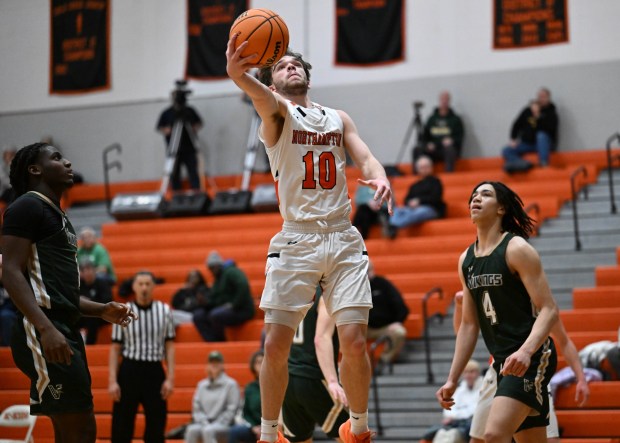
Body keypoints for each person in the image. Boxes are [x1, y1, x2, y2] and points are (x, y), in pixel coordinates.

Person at [226, 38, 393, 443]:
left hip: (342, 235)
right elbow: (259, 96)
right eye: (281, 67)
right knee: (276, 344)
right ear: (273, 83)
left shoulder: (337, 117)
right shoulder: (277, 113)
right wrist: (238, 75)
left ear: (307, 75)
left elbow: (364, 156)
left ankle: (358, 428)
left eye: (296, 64)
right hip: (297, 239)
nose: (291, 68)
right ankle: (269, 433)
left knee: (353, 340)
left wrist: (380, 173)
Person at [1, 142, 135, 443]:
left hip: (60, 326)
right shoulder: (26, 205)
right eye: (57, 158)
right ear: (35, 169)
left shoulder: (57, 214)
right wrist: (45, 328)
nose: (68, 162)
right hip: (43, 329)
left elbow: (58, 292)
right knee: (81, 430)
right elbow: (9, 271)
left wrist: (101, 309)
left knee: (72, 430)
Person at [436, 181, 561, 443]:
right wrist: (452, 379)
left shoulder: (516, 249)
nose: (476, 199)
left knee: (492, 436)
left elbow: (549, 309)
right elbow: (469, 326)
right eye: (473, 195)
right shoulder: (466, 260)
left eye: (485, 194)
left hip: (532, 356)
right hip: (502, 362)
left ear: (502, 208)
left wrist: (526, 352)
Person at [451, 290, 590, 443]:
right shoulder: (492, 294)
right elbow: (463, 331)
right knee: (479, 438)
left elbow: (564, 341)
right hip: (497, 372)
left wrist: (581, 378)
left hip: (533, 370)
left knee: (550, 438)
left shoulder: (541, 304)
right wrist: (459, 306)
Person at [108, 270, 175, 443]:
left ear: (153, 286)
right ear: (134, 287)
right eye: (140, 284)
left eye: (147, 284)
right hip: (129, 369)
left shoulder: (165, 311)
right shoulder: (124, 311)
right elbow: (115, 348)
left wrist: (170, 378)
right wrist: (112, 380)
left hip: (154, 371)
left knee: (156, 425)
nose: (144, 287)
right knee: (122, 424)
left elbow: (169, 346)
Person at [282, 293, 350, 443]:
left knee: (300, 439)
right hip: (313, 376)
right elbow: (321, 338)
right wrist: (332, 380)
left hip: (288, 378)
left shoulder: (292, 291)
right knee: (353, 437)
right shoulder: (326, 294)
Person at [193, 251, 255, 342]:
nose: (212, 270)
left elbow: (243, 285)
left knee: (215, 315)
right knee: (198, 315)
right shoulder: (217, 280)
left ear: (219, 265)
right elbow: (216, 300)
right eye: (210, 268)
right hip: (225, 308)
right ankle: (213, 342)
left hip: (242, 310)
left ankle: (220, 341)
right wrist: (205, 302)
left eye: (213, 267)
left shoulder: (231, 272)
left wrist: (234, 305)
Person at [185, 350, 241, 443]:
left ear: (222, 365)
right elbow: (197, 409)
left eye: (217, 362)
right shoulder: (201, 385)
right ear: (208, 365)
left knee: (208, 431)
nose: (214, 365)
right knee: (191, 430)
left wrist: (216, 423)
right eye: (212, 362)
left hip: (225, 425)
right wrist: (204, 422)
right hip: (204, 423)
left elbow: (232, 409)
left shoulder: (231, 384)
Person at [422, 360, 482, 443]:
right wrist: (459, 415)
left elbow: (475, 410)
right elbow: (448, 409)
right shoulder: (460, 390)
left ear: (478, 373)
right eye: (466, 372)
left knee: (452, 436)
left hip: (470, 426)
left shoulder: (482, 389)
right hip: (456, 424)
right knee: (440, 434)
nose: (468, 375)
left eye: (471, 372)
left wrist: (454, 416)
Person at [386, 156, 446, 239]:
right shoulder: (414, 185)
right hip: (413, 208)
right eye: (422, 167)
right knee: (397, 210)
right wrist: (410, 203)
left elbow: (435, 198)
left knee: (420, 211)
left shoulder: (436, 182)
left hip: (431, 208)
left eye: (426, 167)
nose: (424, 169)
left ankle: (395, 225)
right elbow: (406, 200)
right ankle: (393, 225)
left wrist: (419, 201)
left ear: (431, 168)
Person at [366, 261, 409, 373]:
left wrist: (398, 321)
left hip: (384, 327)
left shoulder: (383, 284)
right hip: (363, 328)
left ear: (372, 270)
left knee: (399, 332)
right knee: (342, 333)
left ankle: (384, 360)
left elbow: (400, 304)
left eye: (367, 270)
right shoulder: (355, 287)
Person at [156, 88, 203, 190]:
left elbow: (199, 123)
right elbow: (159, 127)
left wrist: (192, 127)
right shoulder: (167, 113)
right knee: (174, 173)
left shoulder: (189, 111)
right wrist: (167, 130)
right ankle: (176, 194)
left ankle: (196, 192)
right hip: (174, 149)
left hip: (189, 148)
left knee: (193, 171)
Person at [502, 88, 559, 170]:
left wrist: (538, 118)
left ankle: (543, 162)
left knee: (541, 135)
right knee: (506, 150)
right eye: (540, 97)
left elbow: (551, 129)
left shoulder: (551, 112)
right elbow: (516, 124)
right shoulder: (527, 111)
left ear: (548, 98)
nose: (541, 99)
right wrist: (513, 139)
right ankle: (524, 163)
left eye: (544, 97)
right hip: (527, 143)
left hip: (543, 144)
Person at [414, 91, 464, 173]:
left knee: (450, 150)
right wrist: (427, 144)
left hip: (445, 150)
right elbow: (425, 136)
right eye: (442, 99)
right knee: (417, 149)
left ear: (449, 101)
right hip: (433, 149)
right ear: (439, 100)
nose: (444, 101)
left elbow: (460, 137)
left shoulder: (455, 119)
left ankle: (449, 175)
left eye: (446, 99)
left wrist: (452, 140)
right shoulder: (432, 119)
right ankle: (416, 176)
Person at [229, 350, 264, 443]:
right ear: (253, 366)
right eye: (258, 362)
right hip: (254, 428)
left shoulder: (277, 385)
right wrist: (253, 427)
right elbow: (245, 413)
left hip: (273, 427)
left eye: (263, 361)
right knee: (234, 431)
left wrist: (267, 428)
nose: (261, 365)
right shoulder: (249, 388)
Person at [78, 258, 113, 345]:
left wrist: (89, 302)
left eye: (89, 269)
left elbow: (108, 301)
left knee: (92, 317)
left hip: (102, 314)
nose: (87, 273)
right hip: (84, 314)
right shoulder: (79, 285)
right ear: (81, 273)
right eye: (84, 270)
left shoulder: (102, 283)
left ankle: (90, 345)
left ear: (94, 270)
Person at [0, 254, 18, 347]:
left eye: (1, 268)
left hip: (11, 312)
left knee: (6, 316)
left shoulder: (13, 282)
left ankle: (8, 350)